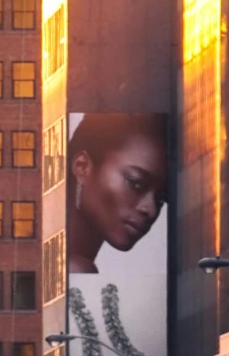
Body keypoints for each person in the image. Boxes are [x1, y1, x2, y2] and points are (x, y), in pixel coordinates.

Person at [66, 113, 168, 275]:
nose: (151, 210)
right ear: (82, 166)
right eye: (136, 183)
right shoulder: (75, 268)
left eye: (162, 198)